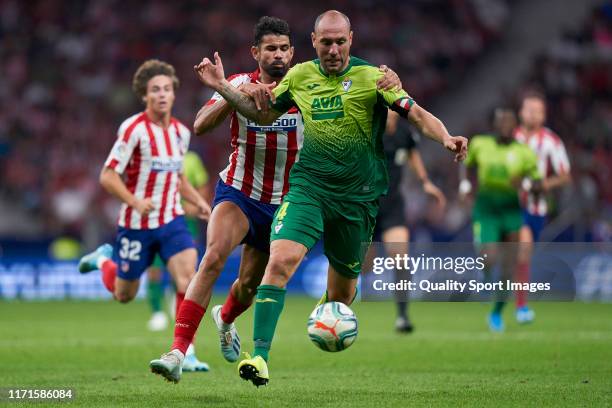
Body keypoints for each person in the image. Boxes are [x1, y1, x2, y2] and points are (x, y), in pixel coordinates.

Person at [192, 10, 467, 386]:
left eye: (340, 41)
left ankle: (327, 316)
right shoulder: (300, 76)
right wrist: (224, 87)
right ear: (314, 42)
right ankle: (260, 355)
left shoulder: (374, 78)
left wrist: (447, 137)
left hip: (357, 201)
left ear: (351, 39)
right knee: (282, 258)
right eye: (326, 42)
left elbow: (415, 114)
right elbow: (264, 114)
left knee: (342, 296)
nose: (334, 49)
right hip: (309, 190)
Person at [149, 16, 402, 383]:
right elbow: (201, 124)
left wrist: (391, 81)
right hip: (239, 192)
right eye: (271, 49)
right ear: (256, 53)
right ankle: (177, 351)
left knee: (249, 286)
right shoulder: (238, 83)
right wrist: (227, 93)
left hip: (288, 201)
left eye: (284, 48)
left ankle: (226, 319)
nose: (279, 55)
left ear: (294, 52)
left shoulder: (306, 87)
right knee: (214, 257)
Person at [78, 59, 211, 371]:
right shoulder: (133, 129)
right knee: (125, 294)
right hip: (136, 225)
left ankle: (185, 352)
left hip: (172, 219)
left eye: (166, 89)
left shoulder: (180, 132)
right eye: (155, 90)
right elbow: (108, 176)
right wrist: (135, 202)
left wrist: (199, 202)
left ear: (174, 94)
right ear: (144, 96)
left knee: (187, 279)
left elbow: (178, 178)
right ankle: (103, 260)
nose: (162, 95)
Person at [459, 107, 541, 332]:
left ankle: (496, 313)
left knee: (508, 267)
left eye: (509, 121)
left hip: (511, 210)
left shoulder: (523, 152)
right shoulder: (480, 144)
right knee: (489, 256)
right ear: (494, 125)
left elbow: (536, 183)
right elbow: (467, 165)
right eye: (501, 121)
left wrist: (524, 185)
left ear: (514, 125)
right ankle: (485, 276)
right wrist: (465, 186)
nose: (505, 125)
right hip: (486, 208)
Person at [375, 110, 446, 333]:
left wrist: (425, 182)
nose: (387, 113)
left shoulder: (404, 132)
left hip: (393, 205)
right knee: (360, 266)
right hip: (363, 206)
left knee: (400, 258)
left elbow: (412, 153)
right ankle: (334, 310)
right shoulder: (366, 129)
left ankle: (403, 316)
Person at [512, 93, 571, 324]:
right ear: (521, 112)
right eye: (529, 109)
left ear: (543, 115)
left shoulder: (551, 142)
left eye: (537, 110)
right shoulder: (509, 138)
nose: (533, 114)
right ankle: (521, 307)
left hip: (535, 207)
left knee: (522, 253)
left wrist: (544, 184)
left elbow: (565, 176)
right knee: (521, 248)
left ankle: (516, 301)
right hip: (508, 204)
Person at [146, 150, 210, 332]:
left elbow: (202, 184)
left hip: (184, 220)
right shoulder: (155, 157)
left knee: (183, 268)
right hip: (158, 218)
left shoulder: (191, 159)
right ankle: (157, 313)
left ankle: (176, 300)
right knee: (154, 268)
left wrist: (197, 203)